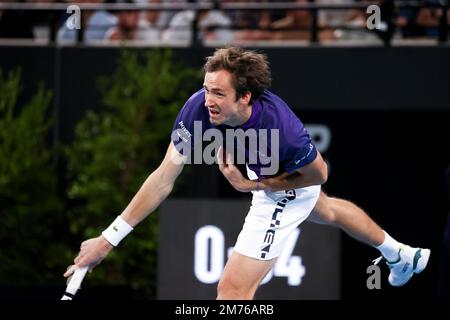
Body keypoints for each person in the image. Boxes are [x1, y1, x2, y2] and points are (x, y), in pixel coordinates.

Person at [64, 47, 430, 299]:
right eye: (207, 89)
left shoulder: (282, 129)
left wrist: (254, 184)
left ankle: (397, 253)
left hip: (285, 185)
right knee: (329, 211)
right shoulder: (198, 108)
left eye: (219, 93)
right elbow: (162, 178)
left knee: (233, 292)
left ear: (246, 98)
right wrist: (108, 239)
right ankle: (401, 254)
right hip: (269, 177)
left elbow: (319, 173)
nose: (209, 100)